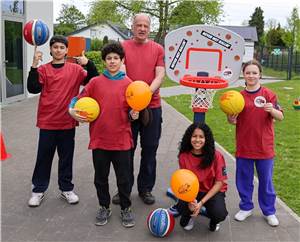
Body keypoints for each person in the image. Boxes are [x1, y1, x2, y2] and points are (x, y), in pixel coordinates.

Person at [69, 41, 137, 228]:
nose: (112, 61)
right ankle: (104, 206)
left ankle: (125, 208)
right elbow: (79, 100)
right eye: (109, 58)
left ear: (122, 60)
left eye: (116, 58)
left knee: (124, 178)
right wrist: (73, 110)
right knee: (101, 178)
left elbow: (135, 109)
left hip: (122, 140)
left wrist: (134, 114)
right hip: (99, 140)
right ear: (104, 61)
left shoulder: (129, 84)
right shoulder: (95, 82)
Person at [27, 35, 98, 207]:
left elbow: (94, 80)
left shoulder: (75, 69)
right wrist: (34, 65)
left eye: (61, 47)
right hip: (47, 122)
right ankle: (38, 190)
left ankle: (66, 188)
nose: (58, 50)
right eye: (55, 47)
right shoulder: (43, 69)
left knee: (66, 158)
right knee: (43, 158)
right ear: (51, 50)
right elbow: (32, 88)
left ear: (67, 50)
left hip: (67, 123)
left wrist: (87, 63)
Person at [112, 13, 165, 205]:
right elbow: (121, 72)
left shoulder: (158, 49)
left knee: (150, 150)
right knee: (126, 151)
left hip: (152, 106)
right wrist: (134, 96)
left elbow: (160, 75)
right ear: (132, 27)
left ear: (149, 28)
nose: (142, 28)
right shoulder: (123, 47)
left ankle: (145, 189)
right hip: (129, 107)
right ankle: (123, 189)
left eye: (145, 26)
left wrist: (145, 93)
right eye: (138, 25)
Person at [227, 59, 284, 227]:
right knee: (243, 179)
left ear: (260, 75)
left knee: (265, 181)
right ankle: (246, 207)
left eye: (254, 72)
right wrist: (231, 119)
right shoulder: (237, 97)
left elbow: (280, 117)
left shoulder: (269, 94)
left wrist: (272, 110)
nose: (251, 75)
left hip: (264, 147)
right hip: (244, 146)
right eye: (248, 72)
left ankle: (269, 211)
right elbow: (232, 121)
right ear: (243, 75)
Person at [172, 123, 228, 232]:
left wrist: (200, 203)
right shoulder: (184, 156)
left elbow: (219, 183)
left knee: (219, 214)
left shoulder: (217, 156)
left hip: (211, 191)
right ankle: (190, 216)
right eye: (194, 136)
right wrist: (191, 203)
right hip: (192, 190)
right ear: (189, 137)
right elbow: (184, 181)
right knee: (183, 216)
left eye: (201, 137)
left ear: (207, 139)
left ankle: (214, 220)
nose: (197, 140)